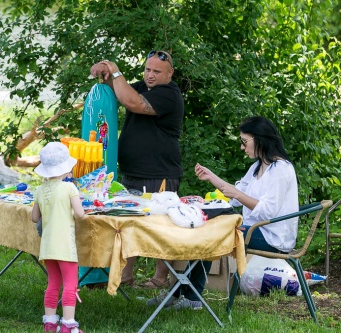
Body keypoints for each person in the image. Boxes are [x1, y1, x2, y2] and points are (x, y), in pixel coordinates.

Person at [148, 115, 299, 310]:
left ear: (260, 138)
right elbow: (235, 196)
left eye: (245, 142)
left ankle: (188, 297)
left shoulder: (281, 170)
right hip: (253, 228)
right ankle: (180, 293)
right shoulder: (257, 167)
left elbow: (267, 211)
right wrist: (211, 178)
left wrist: (236, 194)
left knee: (210, 235)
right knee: (204, 230)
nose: (242, 148)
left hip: (273, 237)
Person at [90, 50, 185, 288]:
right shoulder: (143, 86)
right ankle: (125, 277)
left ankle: (161, 279)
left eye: (156, 71)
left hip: (158, 173)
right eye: (147, 70)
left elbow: (132, 102)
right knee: (129, 223)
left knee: (160, 226)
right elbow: (119, 92)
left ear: (170, 73)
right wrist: (106, 74)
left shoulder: (169, 94)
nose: (150, 76)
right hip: (134, 172)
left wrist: (116, 70)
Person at [31, 142, 85, 333]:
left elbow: (34, 217)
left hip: (48, 247)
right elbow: (79, 214)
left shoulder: (40, 190)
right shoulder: (69, 188)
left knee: (53, 283)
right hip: (65, 247)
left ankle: (50, 323)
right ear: (67, 167)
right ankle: (69, 325)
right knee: (71, 284)